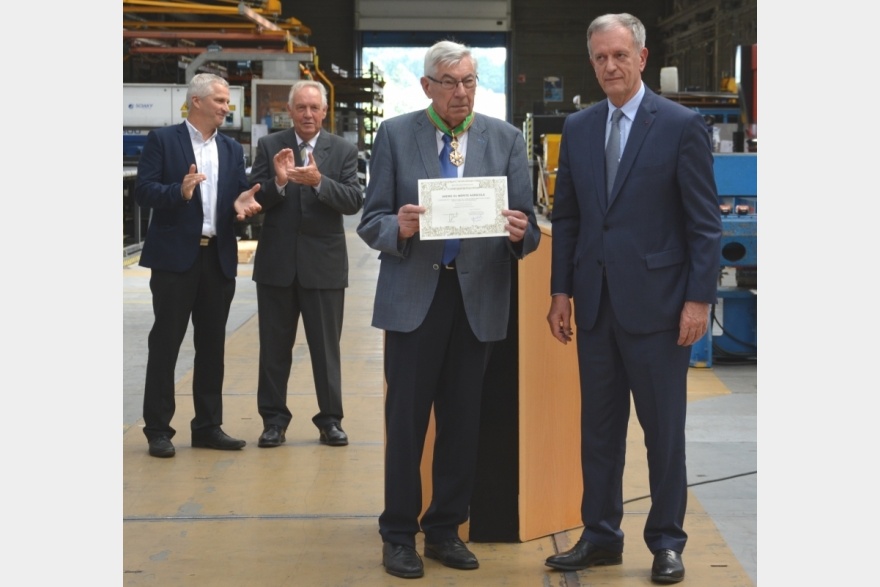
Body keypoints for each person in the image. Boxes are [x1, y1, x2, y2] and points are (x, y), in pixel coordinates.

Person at [544, 13, 722, 584]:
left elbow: (704, 225)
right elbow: (567, 218)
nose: (610, 66)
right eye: (600, 57)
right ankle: (600, 535)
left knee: (662, 433)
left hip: (660, 310)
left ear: (642, 58)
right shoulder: (578, 128)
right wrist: (561, 290)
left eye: (620, 55)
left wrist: (699, 301)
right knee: (598, 431)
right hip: (594, 307)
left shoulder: (679, 125)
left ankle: (667, 541)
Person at [357, 40, 540, 579]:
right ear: (426, 87)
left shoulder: (504, 139)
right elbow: (371, 222)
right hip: (415, 301)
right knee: (407, 424)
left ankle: (444, 530)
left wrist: (520, 234)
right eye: (450, 83)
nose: (461, 93)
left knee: (462, 423)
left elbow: (525, 229)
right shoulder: (394, 135)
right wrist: (401, 227)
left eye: (469, 81)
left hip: (478, 301)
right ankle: (398, 535)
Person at [136, 73, 263, 458]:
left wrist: (241, 207)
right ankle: (158, 429)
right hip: (176, 260)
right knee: (166, 344)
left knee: (211, 346)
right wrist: (180, 190)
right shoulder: (163, 141)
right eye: (221, 101)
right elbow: (142, 191)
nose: (228, 107)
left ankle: (208, 426)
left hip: (217, 257)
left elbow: (236, 194)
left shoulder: (229, 148)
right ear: (197, 101)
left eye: (227, 102)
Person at [248, 80, 363, 448]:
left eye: (315, 108)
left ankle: (330, 420)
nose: (308, 114)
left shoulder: (343, 150)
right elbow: (252, 200)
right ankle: (273, 421)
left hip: (324, 267)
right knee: (273, 349)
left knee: (325, 350)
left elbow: (353, 200)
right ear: (290, 110)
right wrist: (277, 184)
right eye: (302, 108)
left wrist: (319, 182)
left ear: (325, 112)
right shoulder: (270, 146)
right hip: (277, 266)